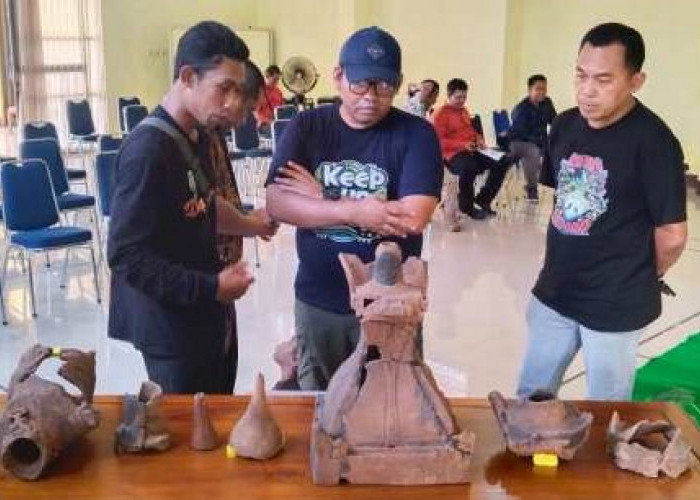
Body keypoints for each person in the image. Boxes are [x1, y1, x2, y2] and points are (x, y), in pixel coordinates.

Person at [265, 26, 443, 390]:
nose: (371, 98)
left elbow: (412, 218)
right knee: (319, 404)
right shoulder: (308, 127)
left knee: (392, 402)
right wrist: (356, 211)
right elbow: (278, 203)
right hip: (320, 300)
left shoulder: (416, 134)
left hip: (391, 306)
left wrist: (322, 198)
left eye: (384, 86)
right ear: (337, 76)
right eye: (360, 84)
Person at [517, 23, 687, 401]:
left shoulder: (655, 142)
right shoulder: (563, 125)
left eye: (604, 80)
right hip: (555, 291)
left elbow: (672, 235)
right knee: (530, 398)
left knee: (605, 412)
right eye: (581, 75)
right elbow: (561, 202)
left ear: (636, 80)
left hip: (615, 303)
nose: (587, 90)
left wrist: (640, 272)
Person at [108, 21, 268, 394]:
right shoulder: (148, 151)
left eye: (237, 89)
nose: (231, 103)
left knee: (216, 417)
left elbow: (202, 205)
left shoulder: (196, 134)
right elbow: (125, 255)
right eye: (223, 89)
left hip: (206, 311)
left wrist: (250, 224)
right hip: (171, 326)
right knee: (189, 437)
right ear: (188, 76)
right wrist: (210, 287)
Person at [432, 78, 511, 224]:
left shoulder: (463, 111)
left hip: (472, 149)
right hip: (452, 154)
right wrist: (462, 145)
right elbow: (438, 141)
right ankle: (466, 206)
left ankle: (483, 199)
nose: (462, 101)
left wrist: (479, 138)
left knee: (504, 160)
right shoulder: (440, 114)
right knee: (469, 167)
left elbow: (471, 131)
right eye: (458, 97)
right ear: (449, 96)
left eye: (464, 97)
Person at [509, 74, 557, 202]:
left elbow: (554, 121)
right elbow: (523, 134)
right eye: (538, 89)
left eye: (544, 89)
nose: (542, 92)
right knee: (533, 152)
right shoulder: (521, 110)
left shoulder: (547, 103)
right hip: (520, 142)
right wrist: (542, 143)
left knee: (561, 147)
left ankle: (561, 187)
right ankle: (532, 189)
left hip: (540, 140)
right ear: (530, 90)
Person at [254, 64, 284, 134]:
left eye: (278, 79)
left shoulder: (278, 91)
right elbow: (256, 114)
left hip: (277, 123)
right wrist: (270, 121)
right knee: (280, 132)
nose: (276, 82)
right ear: (267, 77)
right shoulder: (260, 92)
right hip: (264, 125)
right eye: (274, 79)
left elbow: (282, 110)